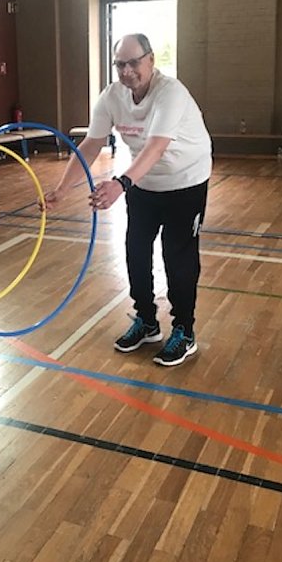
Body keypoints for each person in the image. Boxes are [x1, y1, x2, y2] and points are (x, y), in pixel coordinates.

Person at [46, 33, 212, 367]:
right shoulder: (111, 97)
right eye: (120, 64)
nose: (126, 71)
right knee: (135, 249)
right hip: (144, 183)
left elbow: (156, 146)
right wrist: (63, 188)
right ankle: (147, 322)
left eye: (133, 62)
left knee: (177, 256)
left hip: (186, 181)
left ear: (150, 60)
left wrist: (121, 184)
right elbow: (91, 144)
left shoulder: (171, 93)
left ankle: (184, 329)